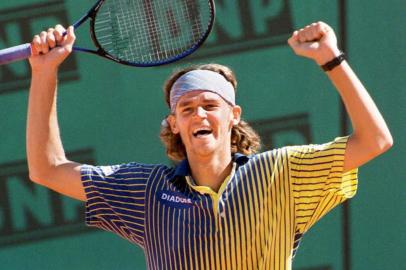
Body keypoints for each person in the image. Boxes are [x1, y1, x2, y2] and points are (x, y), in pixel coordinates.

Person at [26, 22, 392, 270]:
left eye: (210, 105)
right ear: (174, 123)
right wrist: (45, 72)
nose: (199, 113)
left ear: (233, 115)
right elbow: (47, 168)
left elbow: (375, 140)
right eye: (186, 108)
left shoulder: (282, 172)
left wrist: (332, 59)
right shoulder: (147, 192)